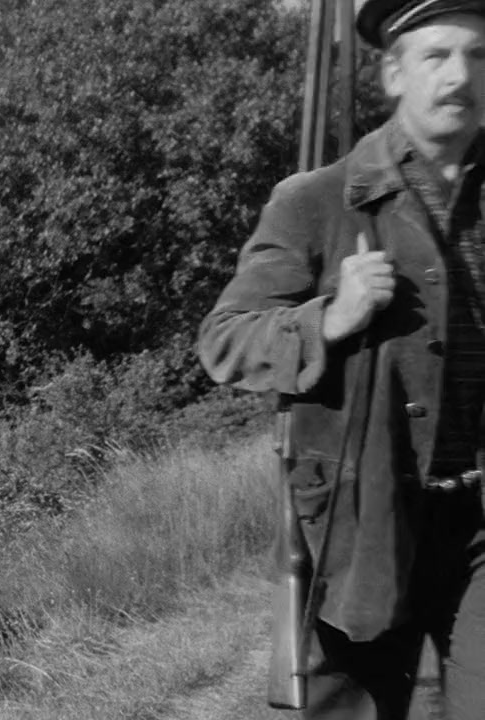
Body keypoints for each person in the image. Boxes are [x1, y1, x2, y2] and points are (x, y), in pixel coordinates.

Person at [197, 1, 485, 717]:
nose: (460, 75)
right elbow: (224, 339)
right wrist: (329, 318)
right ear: (393, 73)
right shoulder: (317, 201)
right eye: (437, 55)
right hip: (363, 521)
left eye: (479, 56)